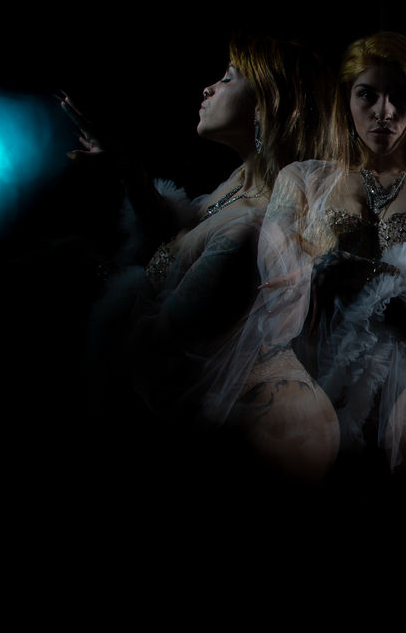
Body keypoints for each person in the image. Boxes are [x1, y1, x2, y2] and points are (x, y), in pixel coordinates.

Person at [216, 31, 406, 490]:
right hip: (311, 359)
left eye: (401, 97)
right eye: (367, 94)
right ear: (346, 99)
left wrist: (354, 274)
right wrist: (381, 283)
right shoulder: (302, 180)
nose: (384, 111)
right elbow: (279, 275)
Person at [60, 34, 338, 487]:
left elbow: (158, 351)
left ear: (268, 106)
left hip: (265, 440)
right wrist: (129, 173)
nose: (209, 88)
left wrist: (89, 269)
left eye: (228, 78)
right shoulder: (243, 182)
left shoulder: (252, 231)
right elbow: (183, 243)